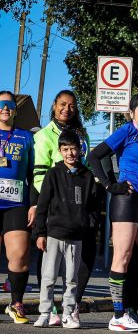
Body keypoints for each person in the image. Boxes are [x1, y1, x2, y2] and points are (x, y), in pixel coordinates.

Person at [87, 93, 138, 333]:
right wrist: (111, 184)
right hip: (126, 200)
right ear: (132, 112)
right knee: (122, 256)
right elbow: (94, 156)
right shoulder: (126, 131)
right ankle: (118, 315)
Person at [32, 89, 98, 310]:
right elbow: (39, 175)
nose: (66, 109)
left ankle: (73, 304)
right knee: (50, 260)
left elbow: (86, 170)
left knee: (84, 254)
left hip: (81, 205)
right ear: (54, 105)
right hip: (55, 205)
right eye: (62, 104)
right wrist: (55, 199)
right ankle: (48, 306)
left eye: (71, 105)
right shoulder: (43, 136)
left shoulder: (83, 135)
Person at [0, 91, 37, 323]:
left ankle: (16, 304)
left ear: (15, 109)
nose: (5, 109)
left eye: (10, 105)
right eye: (1, 104)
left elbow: (34, 174)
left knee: (20, 254)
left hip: (16, 203)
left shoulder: (25, 137)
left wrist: (34, 203)